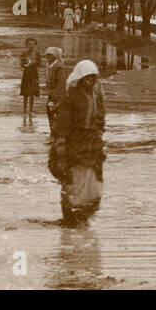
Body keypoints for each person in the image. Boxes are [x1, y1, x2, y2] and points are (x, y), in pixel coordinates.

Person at [49, 60, 106, 224]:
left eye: (93, 78)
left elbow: (100, 118)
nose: (90, 81)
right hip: (74, 144)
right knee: (72, 180)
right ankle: (70, 220)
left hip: (92, 145)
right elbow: (62, 122)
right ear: (80, 78)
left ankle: (82, 219)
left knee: (92, 182)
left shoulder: (95, 96)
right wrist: (60, 145)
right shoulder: (70, 97)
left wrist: (99, 133)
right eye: (87, 78)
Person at [20, 37, 42, 125]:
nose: (31, 46)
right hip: (26, 73)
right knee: (25, 93)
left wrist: (33, 63)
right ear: (27, 45)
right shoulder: (24, 54)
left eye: (33, 44)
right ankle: (24, 110)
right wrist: (24, 64)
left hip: (34, 74)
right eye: (29, 44)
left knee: (32, 93)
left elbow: (40, 63)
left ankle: (31, 110)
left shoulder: (37, 54)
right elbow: (21, 64)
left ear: (35, 45)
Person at [43, 46, 65, 129]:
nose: (49, 57)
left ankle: (57, 132)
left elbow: (61, 83)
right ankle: (53, 131)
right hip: (51, 93)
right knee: (50, 111)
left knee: (56, 112)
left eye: (51, 55)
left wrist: (55, 97)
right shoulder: (48, 66)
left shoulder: (59, 66)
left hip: (58, 93)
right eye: (47, 55)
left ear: (55, 56)